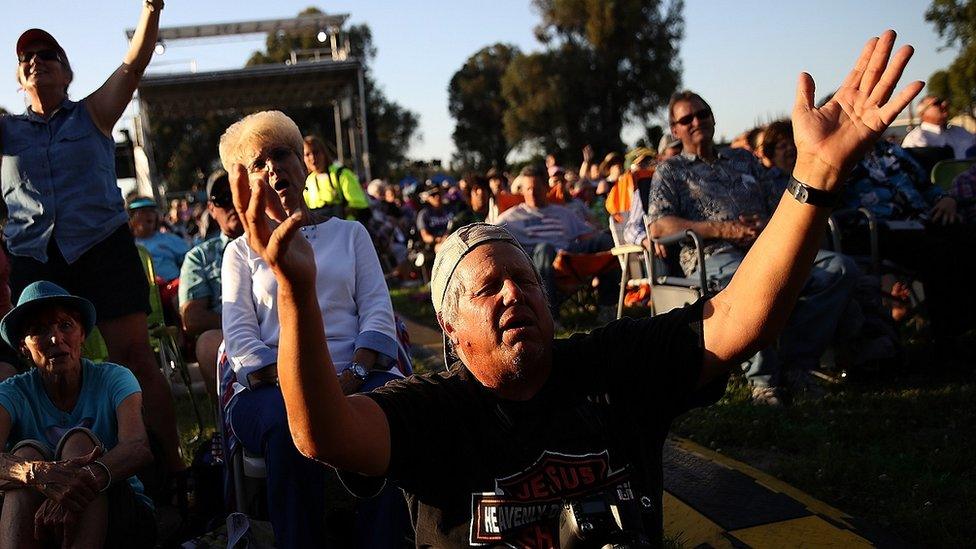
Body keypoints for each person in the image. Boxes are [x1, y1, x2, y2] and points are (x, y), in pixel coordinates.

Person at [228, 31, 920, 546]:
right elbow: (321, 432)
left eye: (525, 281)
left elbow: (745, 313)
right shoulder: (435, 414)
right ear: (450, 331)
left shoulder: (612, 370)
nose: (512, 295)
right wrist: (293, 284)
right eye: (488, 288)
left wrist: (814, 180)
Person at [0, 3, 183, 475]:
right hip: (34, 257)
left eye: (48, 55)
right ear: (20, 80)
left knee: (135, 356)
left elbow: (135, 62)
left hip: (102, 246)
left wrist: (151, 6)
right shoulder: (5, 132)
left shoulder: (94, 114)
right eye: (27, 59)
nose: (36, 60)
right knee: (31, 369)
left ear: (67, 73)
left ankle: (172, 469)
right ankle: (37, 471)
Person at [218, 111, 405, 548]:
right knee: (288, 426)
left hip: (359, 373)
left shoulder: (351, 234)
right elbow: (241, 342)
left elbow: (379, 314)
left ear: (304, 165)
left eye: (281, 154)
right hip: (273, 388)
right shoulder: (240, 253)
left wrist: (352, 375)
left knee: (391, 412)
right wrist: (306, 388)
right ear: (246, 184)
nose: (272, 169)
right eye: (258, 164)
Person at [634, 90, 860, 404]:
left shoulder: (744, 160)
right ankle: (764, 381)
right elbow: (659, 225)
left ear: (713, 118)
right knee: (752, 284)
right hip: (712, 254)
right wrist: (722, 228)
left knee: (838, 269)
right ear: (675, 130)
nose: (697, 121)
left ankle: (798, 366)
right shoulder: (671, 171)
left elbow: (782, 199)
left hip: (765, 245)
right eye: (687, 119)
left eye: (703, 114)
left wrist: (768, 224)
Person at [0, 281, 155, 548]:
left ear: (82, 334)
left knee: (80, 444)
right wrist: (37, 473)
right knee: (24, 457)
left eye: (66, 325)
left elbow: (138, 447)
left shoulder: (115, 378)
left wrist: (82, 480)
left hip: (119, 516)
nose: (55, 339)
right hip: (36, 520)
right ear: (23, 348)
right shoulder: (12, 393)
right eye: (39, 330)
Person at [496, 166, 616, 318]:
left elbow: (587, 234)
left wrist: (601, 236)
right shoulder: (512, 217)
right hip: (539, 260)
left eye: (536, 188)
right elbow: (490, 232)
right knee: (546, 248)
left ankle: (608, 306)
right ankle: (550, 316)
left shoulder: (563, 212)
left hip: (569, 255)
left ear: (546, 188)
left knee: (605, 241)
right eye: (527, 189)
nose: (531, 193)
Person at [178, 171, 243, 402]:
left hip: (279, 326)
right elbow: (192, 319)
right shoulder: (200, 257)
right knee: (207, 345)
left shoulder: (274, 240)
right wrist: (244, 325)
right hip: (229, 333)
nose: (232, 203)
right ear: (211, 209)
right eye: (222, 199)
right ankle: (228, 427)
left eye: (237, 193)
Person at [302, 135, 370, 221]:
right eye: (307, 154)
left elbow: (360, 204)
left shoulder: (341, 174)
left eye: (316, 152)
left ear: (324, 153)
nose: (312, 158)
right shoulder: (308, 182)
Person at [127, 197, 189, 285]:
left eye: (152, 211)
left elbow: (190, 264)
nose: (149, 214)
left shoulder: (170, 239)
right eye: (143, 211)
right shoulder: (125, 246)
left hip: (172, 288)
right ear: (131, 218)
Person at [902, 95, 975, 159]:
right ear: (922, 112)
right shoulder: (916, 138)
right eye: (937, 103)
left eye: (943, 102)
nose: (944, 104)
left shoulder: (961, 131)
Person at [415, 182, 452, 253]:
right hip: (436, 245)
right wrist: (438, 239)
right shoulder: (424, 214)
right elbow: (425, 236)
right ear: (427, 198)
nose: (437, 197)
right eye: (433, 195)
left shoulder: (451, 209)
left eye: (438, 193)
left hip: (454, 238)